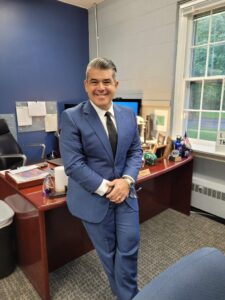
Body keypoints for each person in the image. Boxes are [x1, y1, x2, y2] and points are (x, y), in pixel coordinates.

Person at [59, 57, 143, 300]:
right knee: (110, 254)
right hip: (93, 199)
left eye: (107, 81)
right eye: (94, 82)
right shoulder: (72, 117)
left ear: (116, 84)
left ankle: (127, 295)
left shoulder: (128, 115)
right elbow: (74, 165)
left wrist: (126, 181)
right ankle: (128, 296)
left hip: (125, 194)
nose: (101, 87)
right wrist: (109, 189)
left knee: (128, 249)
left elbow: (135, 151)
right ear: (86, 85)